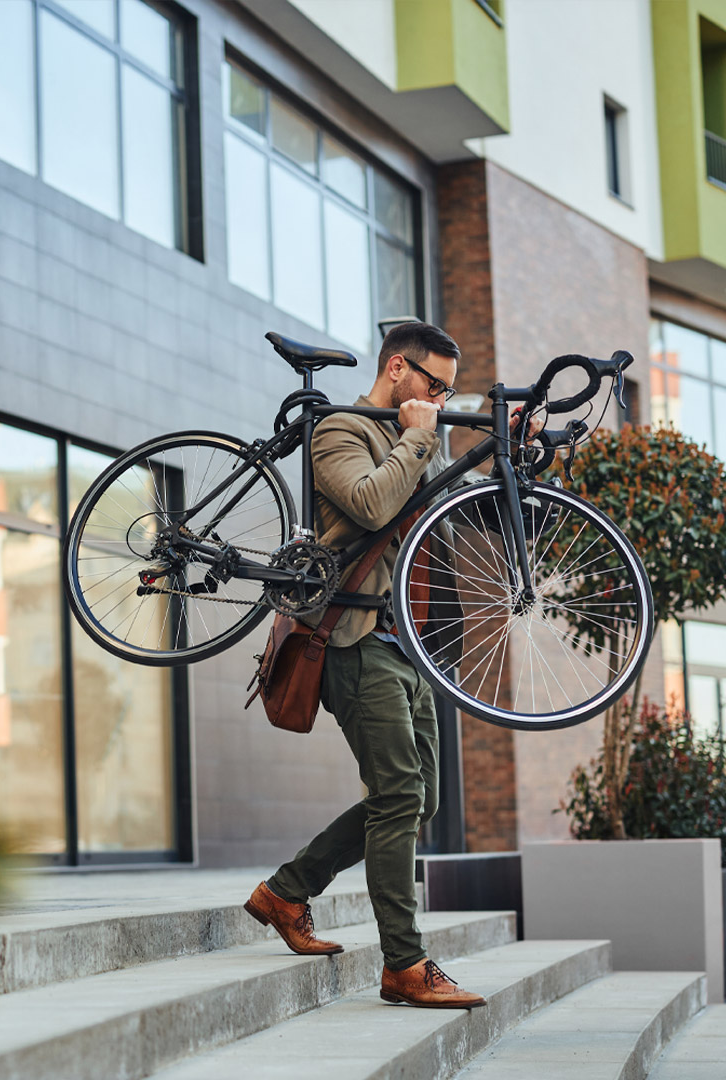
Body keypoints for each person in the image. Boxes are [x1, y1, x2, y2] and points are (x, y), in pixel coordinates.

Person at [244, 321, 539, 1009]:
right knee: (401, 794)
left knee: (418, 799)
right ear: (398, 369)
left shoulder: (419, 444)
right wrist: (416, 434)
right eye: (434, 384)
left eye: (448, 390)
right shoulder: (341, 429)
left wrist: (507, 454)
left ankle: (286, 892)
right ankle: (404, 966)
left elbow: (459, 513)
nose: (440, 398)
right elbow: (374, 502)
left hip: (411, 648)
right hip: (351, 638)